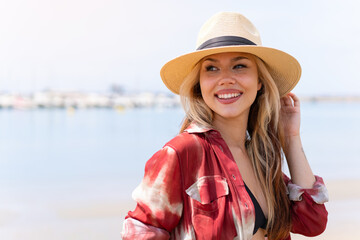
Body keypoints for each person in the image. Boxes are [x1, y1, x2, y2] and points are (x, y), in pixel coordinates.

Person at [121, 12, 329, 240]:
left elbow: (312, 222)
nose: (225, 79)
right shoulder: (181, 153)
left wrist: (290, 138)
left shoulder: (262, 158)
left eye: (239, 66)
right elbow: (139, 233)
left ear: (259, 80)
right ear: (199, 85)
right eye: (211, 68)